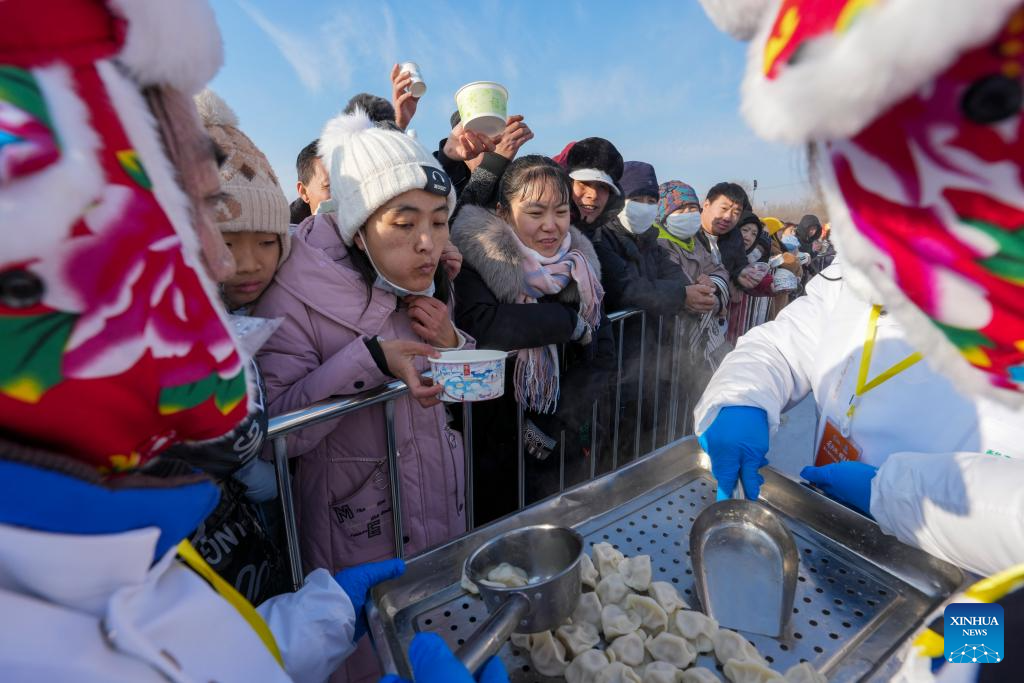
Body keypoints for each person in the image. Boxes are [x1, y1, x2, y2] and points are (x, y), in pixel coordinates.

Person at [0, 1, 446, 680]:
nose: (223, 264)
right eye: (194, 211)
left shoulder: (101, 538)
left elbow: (168, 644)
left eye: (239, 226)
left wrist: (321, 619)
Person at [254, 108, 471, 682]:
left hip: (438, 508)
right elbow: (273, 430)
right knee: (368, 658)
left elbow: (451, 383)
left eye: (440, 221)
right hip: (353, 535)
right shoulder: (293, 293)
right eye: (404, 223)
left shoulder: (423, 281)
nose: (427, 243)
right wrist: (369, 360)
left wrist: (452, 343)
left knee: (435, 640)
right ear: (357, 223)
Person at [451, 155, 614, 523]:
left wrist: (552, 422)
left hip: (561, 436)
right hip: (492, 444)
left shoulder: (583, 269)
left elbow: (603, 356)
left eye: (560, 212)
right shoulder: (476, 262)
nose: (550, 226)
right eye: (535, 213)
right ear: (504, 213)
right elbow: (485, 325)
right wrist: (567, 322)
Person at [585, 160, 688, 454]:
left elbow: (678, 278)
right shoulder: (603, 238)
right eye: (636, 199)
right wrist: (682, 295)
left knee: (644, 440)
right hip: (616, 366)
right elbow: (628, 288)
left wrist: (685, 291)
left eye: (651, 200)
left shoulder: (651, 242)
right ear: (620, 199)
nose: (644, 206)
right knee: (612, 447)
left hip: (649, 360)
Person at [654, 181, 731, 436]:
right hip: (669, 342)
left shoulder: (695, 242)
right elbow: (682, 286)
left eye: (692, 208)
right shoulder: (660, 243)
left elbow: (719, 271)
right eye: (680, 209)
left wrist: (713, 287)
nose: (689, 215)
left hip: (696, 341)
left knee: (697, 393)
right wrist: (699, 288)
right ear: (664, 213)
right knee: (671, 404)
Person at [435, 112, 534, 217]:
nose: (485, 147)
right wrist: (494, 163)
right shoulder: (433, 170)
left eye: (492, 138)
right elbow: (453, 225)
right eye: (476, 139)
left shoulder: (512, 180)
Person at [726, 211, 776, 343]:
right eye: (745, 230)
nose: (748, 237)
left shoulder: (749, 263)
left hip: (736, 323)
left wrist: (771, 284)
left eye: (754, 234)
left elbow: (755, 280)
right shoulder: (721, 251)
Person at [565, 136, 625, 235]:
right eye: (584, 183)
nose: (593, 195)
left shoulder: (611, 242)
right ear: (568, 184)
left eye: (602, 186)